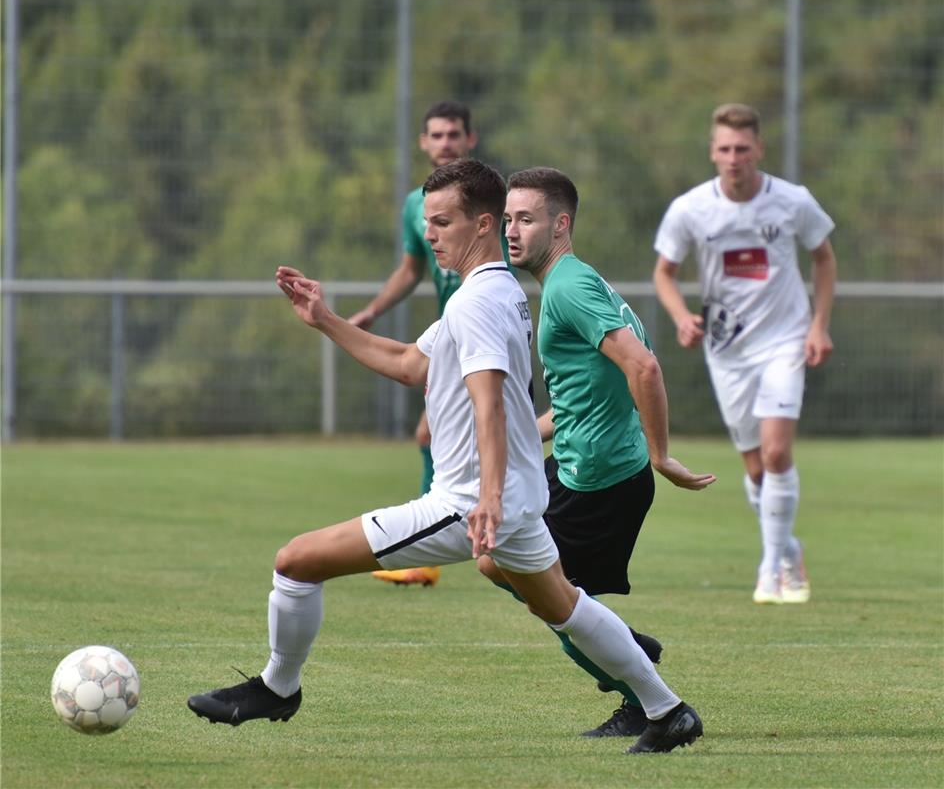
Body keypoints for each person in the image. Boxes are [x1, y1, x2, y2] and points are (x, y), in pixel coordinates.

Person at [187, 159, 703, 755]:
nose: (429, 233)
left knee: (296, 562)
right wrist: (325, 320)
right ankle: (668, 711)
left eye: (442, 221)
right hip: (513, 499)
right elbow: (413, 364)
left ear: (481, 225)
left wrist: (484, 497)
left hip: (467, 504)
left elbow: (488, 402)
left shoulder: (477, 302)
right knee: (564, 605)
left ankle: (278, 687)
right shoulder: (495, 290)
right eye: (427, 222)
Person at [478, 166, 714, 739]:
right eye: (508, 219)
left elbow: (644, 366)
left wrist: (662, 455)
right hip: (582, 466)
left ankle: (642, 690)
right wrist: (517, 440)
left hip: (603, 480)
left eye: (526, 219)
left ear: (561, 225)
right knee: (500, 564)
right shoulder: (573, 281)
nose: (512, 231)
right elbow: (585, 392)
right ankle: (629, 654)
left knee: (545, 594)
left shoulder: (568, 287)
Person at [652, 103, 837, 605]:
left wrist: (818, 325)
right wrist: (681, 316)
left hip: (785, 341)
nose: (734, 157)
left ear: (759, 150)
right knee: (756, 470)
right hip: (728, 350)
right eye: (725, 149)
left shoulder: (792, 201)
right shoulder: (692, 209)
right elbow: (663, 273)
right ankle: (787, 548)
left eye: (743, 148)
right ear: (713, 153)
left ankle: (772, 570)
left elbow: (823, 257)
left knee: (778, 454)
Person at [349, 100, 481, 588]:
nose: (445, 143)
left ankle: (431, 548)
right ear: (424, 143)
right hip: (450, 332)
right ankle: (454, 540)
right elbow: (411, 270)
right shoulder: (415, 204)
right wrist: (374, 311)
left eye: (454, 134)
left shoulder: (491, 198)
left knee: (442, 435)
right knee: (437, 435)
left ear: (471, 139)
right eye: (437, 135)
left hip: (479, 330)